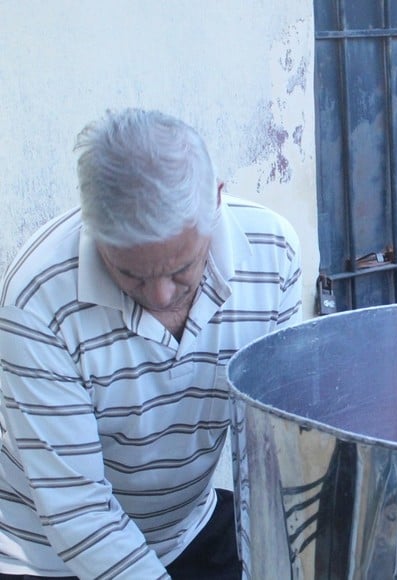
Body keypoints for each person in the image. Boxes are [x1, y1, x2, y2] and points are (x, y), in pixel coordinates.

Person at [0, 109, 303, 578]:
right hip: (47, 554)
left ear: (216, 201)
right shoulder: (37, 299)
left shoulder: (273, 252)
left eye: (182, 268)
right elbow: (77, 509)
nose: (161, 296)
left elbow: (273, 442)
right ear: (92, 230)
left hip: (186, 526)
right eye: (131, 275)